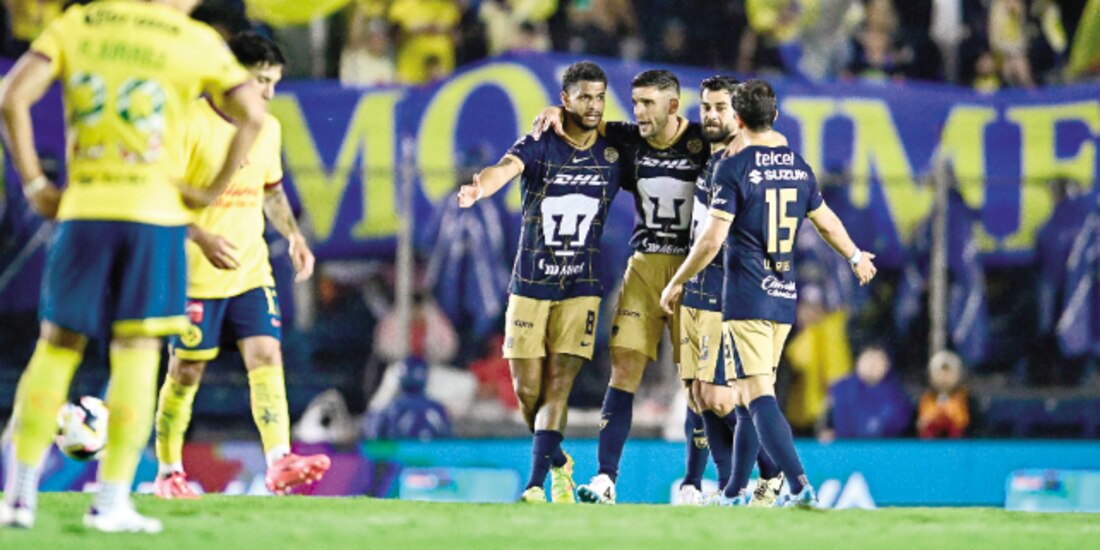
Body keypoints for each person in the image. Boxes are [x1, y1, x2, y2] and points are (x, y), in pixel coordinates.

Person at [0, 0, 265, 532]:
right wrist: (209, 191)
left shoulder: (81, 23)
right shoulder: (192, 40)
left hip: (85, 208)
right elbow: (254, 115)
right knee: (138, 354)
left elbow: (11, 97)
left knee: (56, 347)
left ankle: (17, 497)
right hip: (154, 215)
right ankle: (111, 503)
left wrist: (34, 184)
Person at [660, 80, 877, 507]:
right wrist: (855, 256)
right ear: (775, 116)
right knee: (744, 399)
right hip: (783, 297)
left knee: (758, 396)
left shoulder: (733, 168)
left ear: (738, 119)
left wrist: (677, 279)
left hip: (746, 297)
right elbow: (826, 220)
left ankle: (797, 485)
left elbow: (711, 239)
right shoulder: (798, 166)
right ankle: (735, 491)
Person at [152, 31, 330, 501]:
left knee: (267, 355)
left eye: (274, 83)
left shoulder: (268, 128)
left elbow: (271, 189)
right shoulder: (189, 123)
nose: (268, 93)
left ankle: (279, 462)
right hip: (194, 272)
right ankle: (168, 472)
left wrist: (294, 235)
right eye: (260, 81)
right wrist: (202, 237)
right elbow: (161, 194)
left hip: (250, 268)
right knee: (186, 371)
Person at [456, 61, 622, 504]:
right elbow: (504, 168)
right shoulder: (540, 142)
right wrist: (480, 189)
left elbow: (658, 137)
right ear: (565, 100)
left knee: (558, 384)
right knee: (527, 391)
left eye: (599, 97)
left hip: (581, 286)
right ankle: (560, 461)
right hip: (531, 284)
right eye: (583, 97)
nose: (593, 106)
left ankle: (536, 484)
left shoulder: (613, 149)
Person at [683, 76, 785, 508]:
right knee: (699, 395)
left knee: (724, 397)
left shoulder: (749, 159)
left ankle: (772, 471)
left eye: (721, 108)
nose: (711, 115)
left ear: (739, 115)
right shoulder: (712, 156)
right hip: (700, 284)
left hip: (729, 285)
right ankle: (730, 490)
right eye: (705, 107)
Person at [817, 344, 912, 440]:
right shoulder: (839, 390)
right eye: (869, 358)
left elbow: (903, 426)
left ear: (887, 365)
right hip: (843, 446)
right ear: (859, 361)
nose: (872, 365)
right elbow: (824, 421)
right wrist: (825, 432)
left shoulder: (897, 395)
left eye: (878, 360)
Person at [917, 350, 971, 438]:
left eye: (948, 372)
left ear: (958, 374)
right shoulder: (925, 400)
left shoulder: (968, 401)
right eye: (939, 373)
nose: (944, 377)